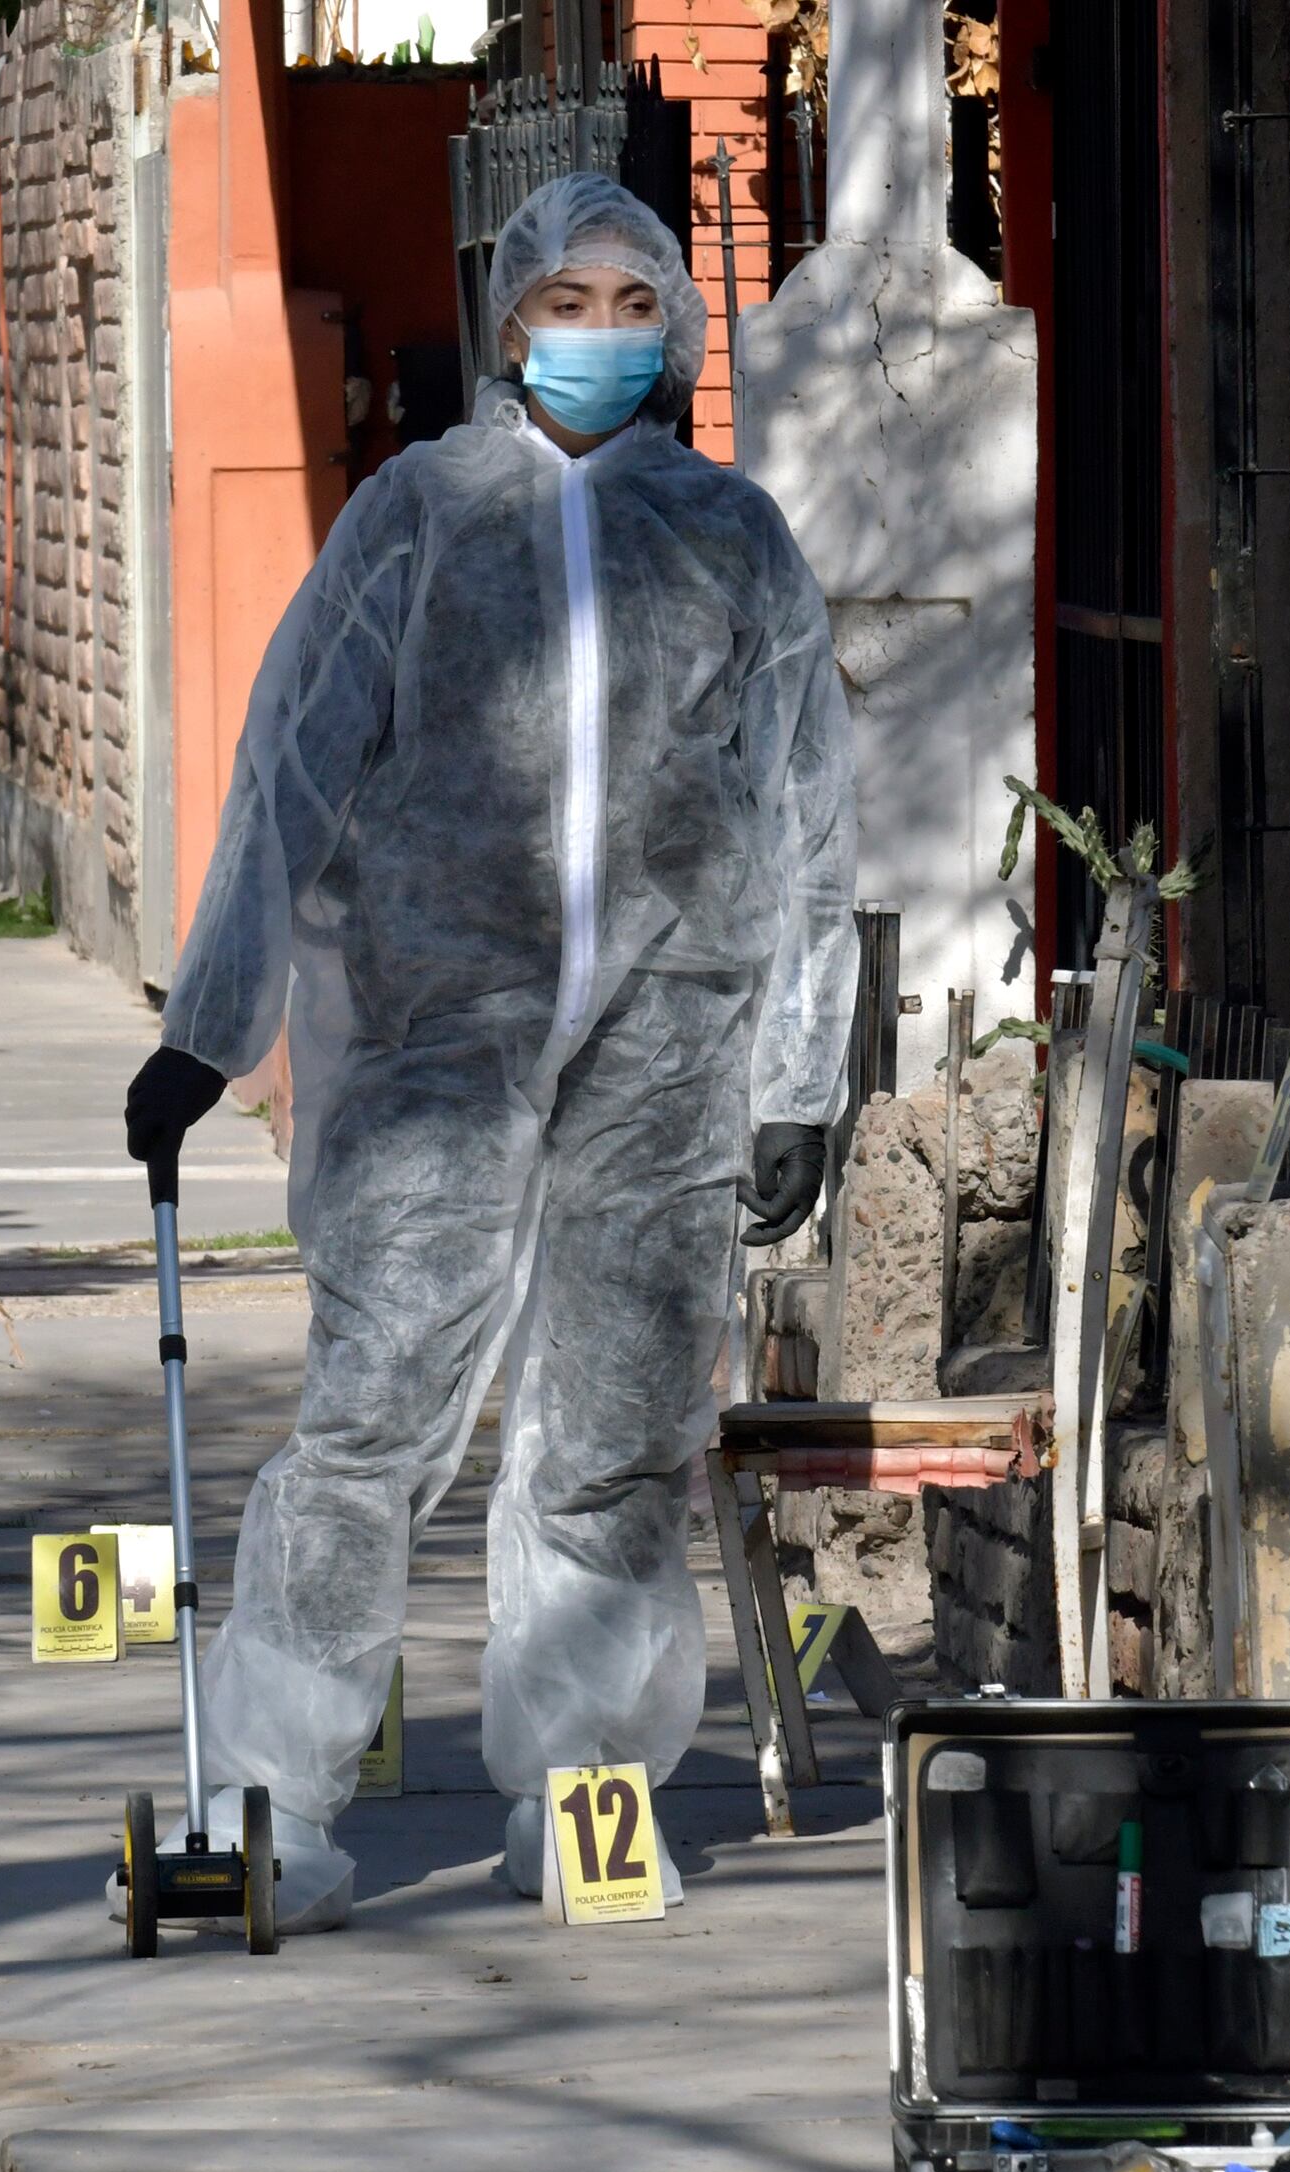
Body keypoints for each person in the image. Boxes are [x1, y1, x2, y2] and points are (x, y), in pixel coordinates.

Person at [117, 173, 860, 1931]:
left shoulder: (732, 536)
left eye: (628, 303)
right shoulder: (415, 517)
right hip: (437, 1035)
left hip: (669, 1051)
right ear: (507, 318)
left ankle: (586, 1785)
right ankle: (273, 1796)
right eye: (565, 302)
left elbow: (814, 810)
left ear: (672, 329)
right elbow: (286, 768)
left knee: (614, 1429)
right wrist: (208, 1027)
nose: (595, 333)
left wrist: (800, 1073)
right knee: (370, 1412)